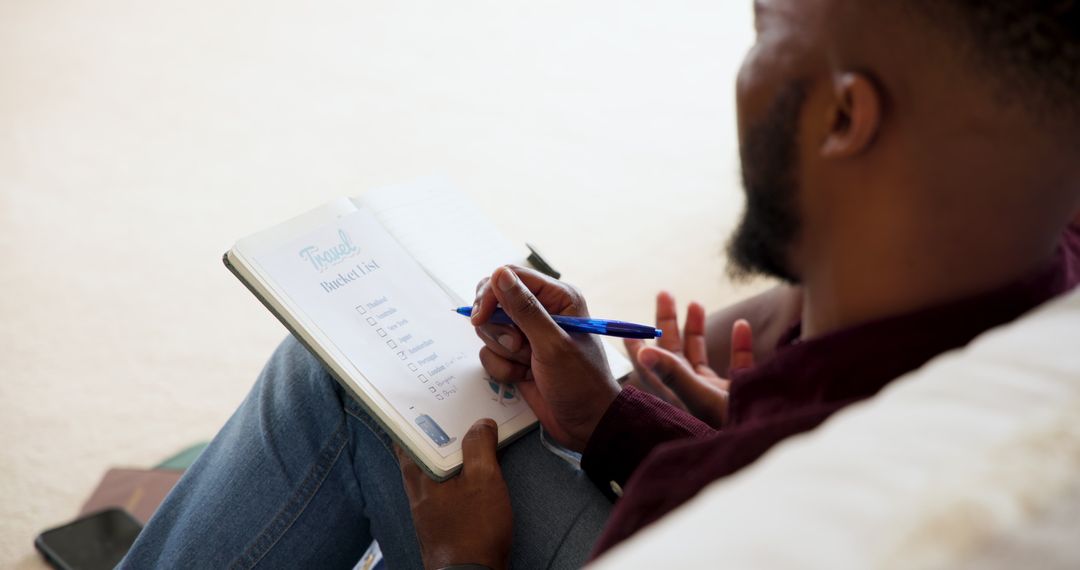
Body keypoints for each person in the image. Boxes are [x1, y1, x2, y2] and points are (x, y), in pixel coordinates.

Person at [122, 0, 1080, 568]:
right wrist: (614, 420)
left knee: (334, 382)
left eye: (768, 26)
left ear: (844, 117)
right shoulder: (1037, 273)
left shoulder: (711, 524)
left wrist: (468, 563)